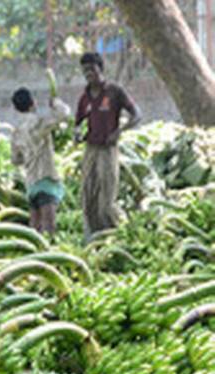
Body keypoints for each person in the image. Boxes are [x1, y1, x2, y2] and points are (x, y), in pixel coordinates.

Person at [74, 52, 140, 241]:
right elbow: (77, 124)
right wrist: (77, 134)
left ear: (100, 68)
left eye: (92, 69)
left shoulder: (114, 91)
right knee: (88, 196)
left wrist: (120, 131)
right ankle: (93, 239)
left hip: (107, 150)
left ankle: (119, 235)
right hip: (90, 150)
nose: (89, 73)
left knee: (107, 199)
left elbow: (137, 115)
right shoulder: (84, 97)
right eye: (85, 70)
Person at [10, 87, 71, 235]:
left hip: (31, 184)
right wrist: (56, 102)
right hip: (46, 179)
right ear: (33, 103)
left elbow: (15, 160)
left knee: (35, 228)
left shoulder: (16, 132)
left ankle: (33, 255)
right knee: (49, 227)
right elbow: (64, 114)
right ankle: (48, 255)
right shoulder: (39, 122)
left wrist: (28, 153)